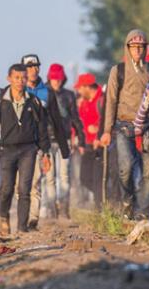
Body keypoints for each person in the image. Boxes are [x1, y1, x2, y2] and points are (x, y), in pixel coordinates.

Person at [0, 64, 52, 237]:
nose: (20, 81)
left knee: (24, 189)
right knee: (6, 188)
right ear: (9, 79)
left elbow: (42, 128)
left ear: (27, 79)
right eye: (17, 78)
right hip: (7, 150)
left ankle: (22, 227)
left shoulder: (34, 101)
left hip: (28, 150)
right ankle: (4, 217)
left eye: (23, 78)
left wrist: (45, 153)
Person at [101, 30, 149, 218]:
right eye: (134, 46)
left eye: (141, 46)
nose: (138, 50)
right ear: (128, 48)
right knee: (126, 167)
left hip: (147, 126)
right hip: (124, 125)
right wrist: (107, 130)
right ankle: (127, 200)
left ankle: (142, 210)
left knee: (148, 171)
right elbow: (111, 101)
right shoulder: (118, 71)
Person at [21, 54, 70, 229]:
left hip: (42, 142)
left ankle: (36, 217)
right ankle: (24, 216)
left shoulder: (47, 92)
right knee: (24, 183)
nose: (33, 70)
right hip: (21, 144)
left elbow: (56, 120)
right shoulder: (17, 91)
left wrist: (64, 147)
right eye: (29, 67)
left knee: (41, 179)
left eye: (36, 66)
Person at [46, 63, 84, 219]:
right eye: (54, 78)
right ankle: (51, 209)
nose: (56, 81)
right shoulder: (43, 94)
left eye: (59, 78)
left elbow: (75, 117)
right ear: (49, 79)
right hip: (47, 141)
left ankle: (64, 209)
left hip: (65, 140)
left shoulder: (69, 95)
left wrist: (80, 137)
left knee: (64, 176)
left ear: (63, 79)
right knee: (49, 177)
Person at [75, 73, 104, 206]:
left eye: (80, 88)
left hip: (99, 144)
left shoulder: (102, 99)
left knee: (98, 179)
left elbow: (106, 118)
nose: (78, 91)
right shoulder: (84, 102)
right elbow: (79, 122)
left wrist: (98, 129)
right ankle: (104, 198)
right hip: (87, 144)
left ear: (87, 87)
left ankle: (101, 205)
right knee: (85, 178)